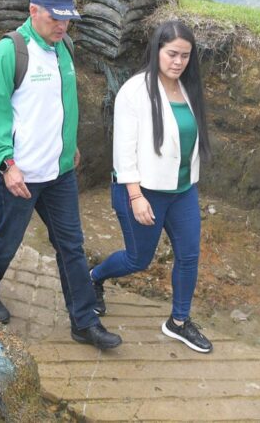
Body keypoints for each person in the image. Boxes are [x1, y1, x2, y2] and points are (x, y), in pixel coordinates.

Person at [0, 0, 122, 351]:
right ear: (33, 11)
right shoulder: (9, 53)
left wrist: (69, 148)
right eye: (56, 19)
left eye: (68, 20)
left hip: (59, 174)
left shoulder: (63, 49)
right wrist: (6, 165)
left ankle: (84, 321)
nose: (63, 26)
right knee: (7, 240)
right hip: (19, 175)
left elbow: (61, 105)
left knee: (72, 246)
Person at [89, 20, 214, 353]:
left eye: (185, 56)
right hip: (142, 191)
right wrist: (135, 196)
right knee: (137, 260)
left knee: (189, 255)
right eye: (172, 54)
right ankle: (94, 278)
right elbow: (123, 150)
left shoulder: (188, 89)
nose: (178, 62)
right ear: (157, 50)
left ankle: (179, 322)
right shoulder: (135, 91)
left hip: (182, 190)